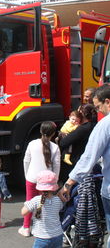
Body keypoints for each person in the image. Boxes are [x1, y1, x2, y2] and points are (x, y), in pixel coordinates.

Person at [60, 84, 110, 248]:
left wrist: (68, 183)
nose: (99, 112)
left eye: (99, 107)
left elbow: (88, 158)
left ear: (107, 102)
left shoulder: (105, 125)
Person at [19, 121, 60, 237]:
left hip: (32, 178)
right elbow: (57, 166)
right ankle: (41, 227)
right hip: (48, 182)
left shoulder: (32, 144)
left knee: (29, 202)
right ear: (53, 134)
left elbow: (26, 161)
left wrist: (27, 175)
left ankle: (26, 227)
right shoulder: (55, 147)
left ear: (41, 131)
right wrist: (54, 180)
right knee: (44, 203)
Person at [21, 170, 64, 247]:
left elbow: (23, 212)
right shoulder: (58, 200)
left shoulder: (36, 200)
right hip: (58, 235)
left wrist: (27, 203)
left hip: (42, 238)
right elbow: (60, 208)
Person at [58, 104, 97, 183]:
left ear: (82, 114)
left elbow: (63, 143)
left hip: (75, 161)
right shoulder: (93, 125)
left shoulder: (82, 129)